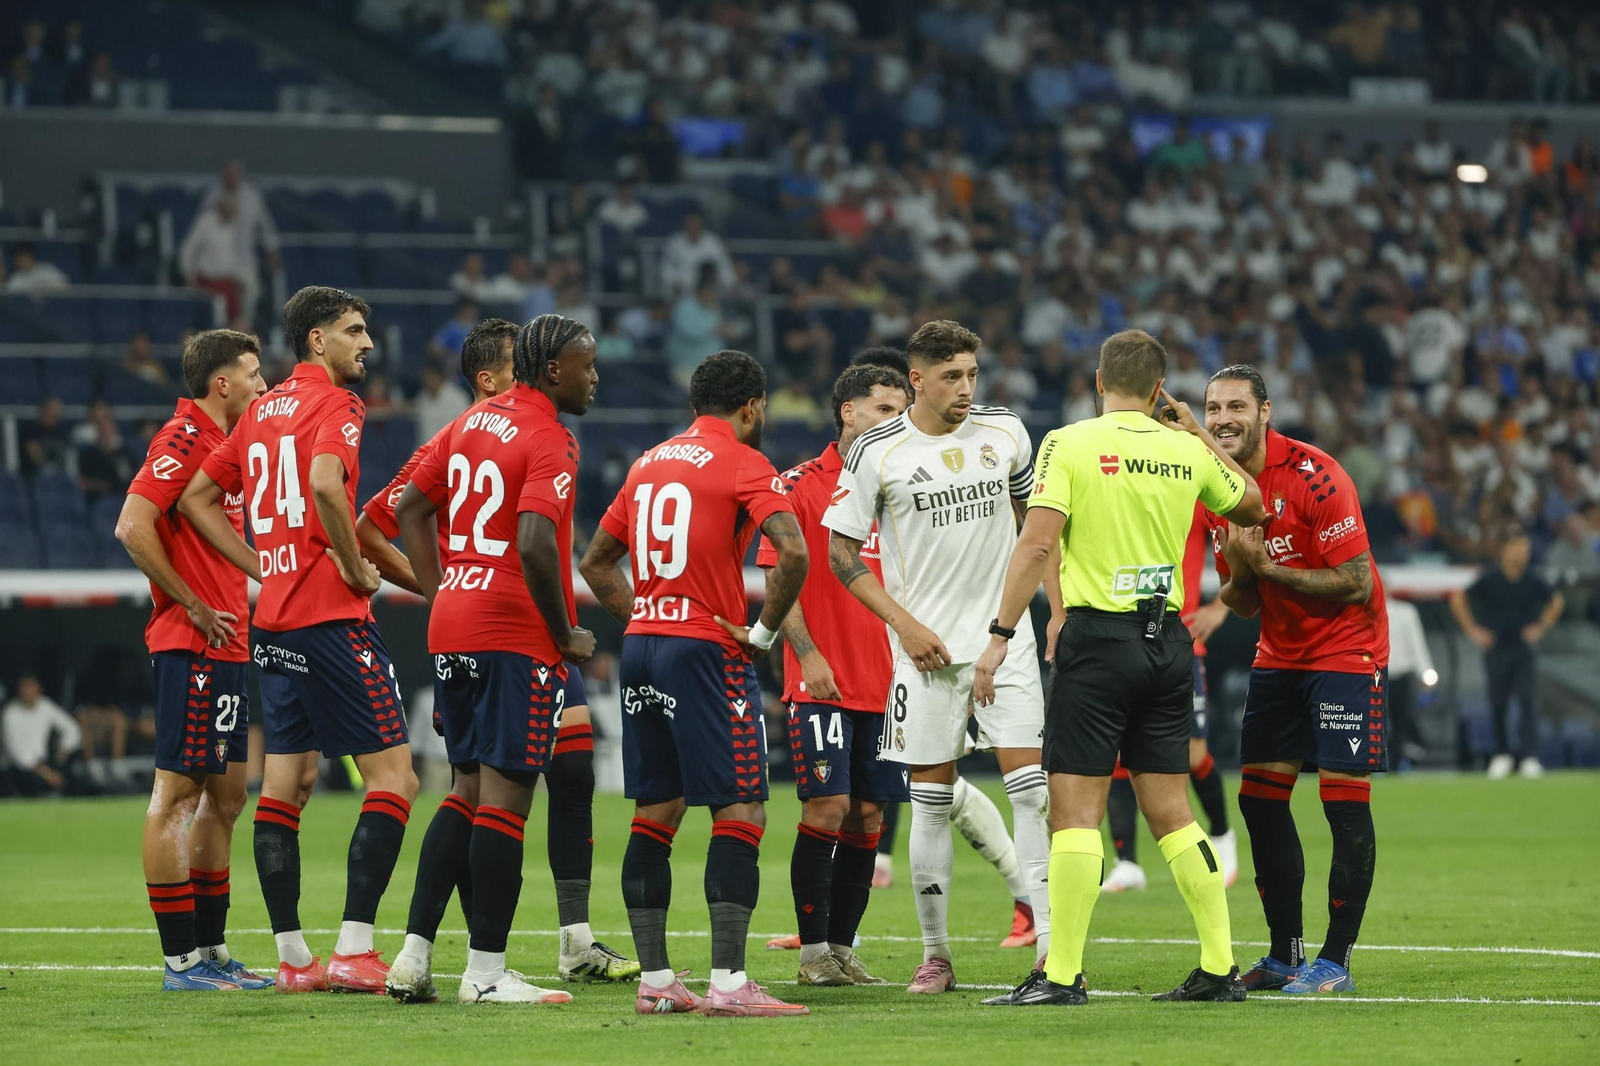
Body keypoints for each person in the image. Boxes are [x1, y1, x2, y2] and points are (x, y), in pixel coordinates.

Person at [978, 329, 1265, 1008]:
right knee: (1172, 811)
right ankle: (1219, 968)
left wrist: (1000, 633)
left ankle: (1061, 975)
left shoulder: (1070, 444)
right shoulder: (1182, 450)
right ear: (1161, 390)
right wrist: (1195, 436)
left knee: (1075, 814)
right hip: (1167, 644)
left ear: (1099, 383)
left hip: (1098, 641)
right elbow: (1252, 504)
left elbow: (1036, 542)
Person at [374, 318, 638, 1001]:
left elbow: (406, 507)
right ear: (553, 370)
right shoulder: (551, 437)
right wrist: (565, 632)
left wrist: (443, 591)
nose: (595, 377)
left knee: (463, 791)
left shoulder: (468, 424)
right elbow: (535, 543)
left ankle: (411, 958)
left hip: (454, 623)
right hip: (512, 630)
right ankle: (486, 975)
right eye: (587, 365)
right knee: (507, 800)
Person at [179, 287, 419, 994]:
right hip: (332, 621)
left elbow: (196, 498)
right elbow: (323, 484)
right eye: (353, 330)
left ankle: (292, 960)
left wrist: (264, 566)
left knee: (287, 786)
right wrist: (351, 566)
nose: (366, 343)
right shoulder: (337, 405)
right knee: (395, 780)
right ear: (317, 340)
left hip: (275, 620)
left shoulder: (259, 411)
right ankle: (352, 949)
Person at [822, 319, 1057, 993]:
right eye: (951, 376)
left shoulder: (1006, 432)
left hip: (1001, 643)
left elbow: (1038, 529)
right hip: (923, 655)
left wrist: (1053, 613)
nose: (965, 388)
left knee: (1031, 793)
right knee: (927, 802)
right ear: (916, 379)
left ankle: (1050, 946)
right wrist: (904, 625)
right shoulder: (877, 451)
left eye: (972, 375)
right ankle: (937, 956)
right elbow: (841, 552)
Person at [578, 349, 812, 1017]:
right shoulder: (745, 460)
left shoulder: (649, 461)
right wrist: (762, 635)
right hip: (705, 651)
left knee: (655, 813)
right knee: (741, 810)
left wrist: (648, 615)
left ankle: (656, 982)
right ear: (751, 406)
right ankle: (732, 985)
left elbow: (597, 563)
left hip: (643, 646)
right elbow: (792, 551)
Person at [1204, 363, 1390, 995]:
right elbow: (1244, 602)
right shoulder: (1216, 487)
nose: (1223, 419)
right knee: (1258, 800)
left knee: (1341, 806)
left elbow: (1356, 581)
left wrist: (1264, 568)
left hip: (1346, 650)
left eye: (1236, 406)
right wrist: (1241, 570)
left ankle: (1335, 960)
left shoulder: (1317, 474)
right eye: (1213, 408)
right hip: (1278, 654)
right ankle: (1285, 954)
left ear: (1265, 412)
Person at [115, 329, 272, 991]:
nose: (263, 386)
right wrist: (190, 603)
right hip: (191, 641)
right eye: (255, 375)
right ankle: (180, 961)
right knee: (177, 796)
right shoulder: (183, 440)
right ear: (221, 383)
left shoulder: (223, 448)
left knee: (228, 797)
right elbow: (132, 525)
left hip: (228, 643)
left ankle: (211, 952)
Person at [751, 362, 912, 986]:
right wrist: (807, 654)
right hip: (820, 678)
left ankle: (844, 949)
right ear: (848, 412)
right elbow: (775, 577)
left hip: (887, 681)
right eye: (883, 409)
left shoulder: (901, 490)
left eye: (902, 410)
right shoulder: (797, 486)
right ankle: (813, 952)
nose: (895, 422)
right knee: (829, 807)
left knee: (870, 815)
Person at [1102, 503, 1240, 893]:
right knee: (1118, 754)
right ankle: (1127, 862)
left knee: (1193, 754)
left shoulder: (1193, 489)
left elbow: (1243, 543)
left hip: (1181, 643)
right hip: (1124, 640)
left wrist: (1220, 606)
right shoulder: (1128, 483)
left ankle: (1222, 836)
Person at [1450, 531, 1563, 779]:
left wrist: (1541, 627)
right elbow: (1458, 598)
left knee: (1528, 701)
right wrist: (1472, 630)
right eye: (1517, 547)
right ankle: (1501, 754)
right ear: (1505, 550)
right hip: (1497, 649)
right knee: (1498, 702)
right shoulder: (1490, 578)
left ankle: (1529, 757)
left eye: (1525, 548)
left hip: (1524, 650)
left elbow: (1556, 601)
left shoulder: (1533, 579)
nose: (1521, 553)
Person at [2, 675, 82, 797]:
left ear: (38, 689)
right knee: (33, 781)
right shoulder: (10, 714)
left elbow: (71, 728)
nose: (28, 691)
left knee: (74, 778)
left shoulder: (45, 706)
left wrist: (64, 748)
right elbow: (17, 754)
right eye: (24, 687)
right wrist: (46, 773)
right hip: (19, 768)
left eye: (31, 686)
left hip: (44, 763)